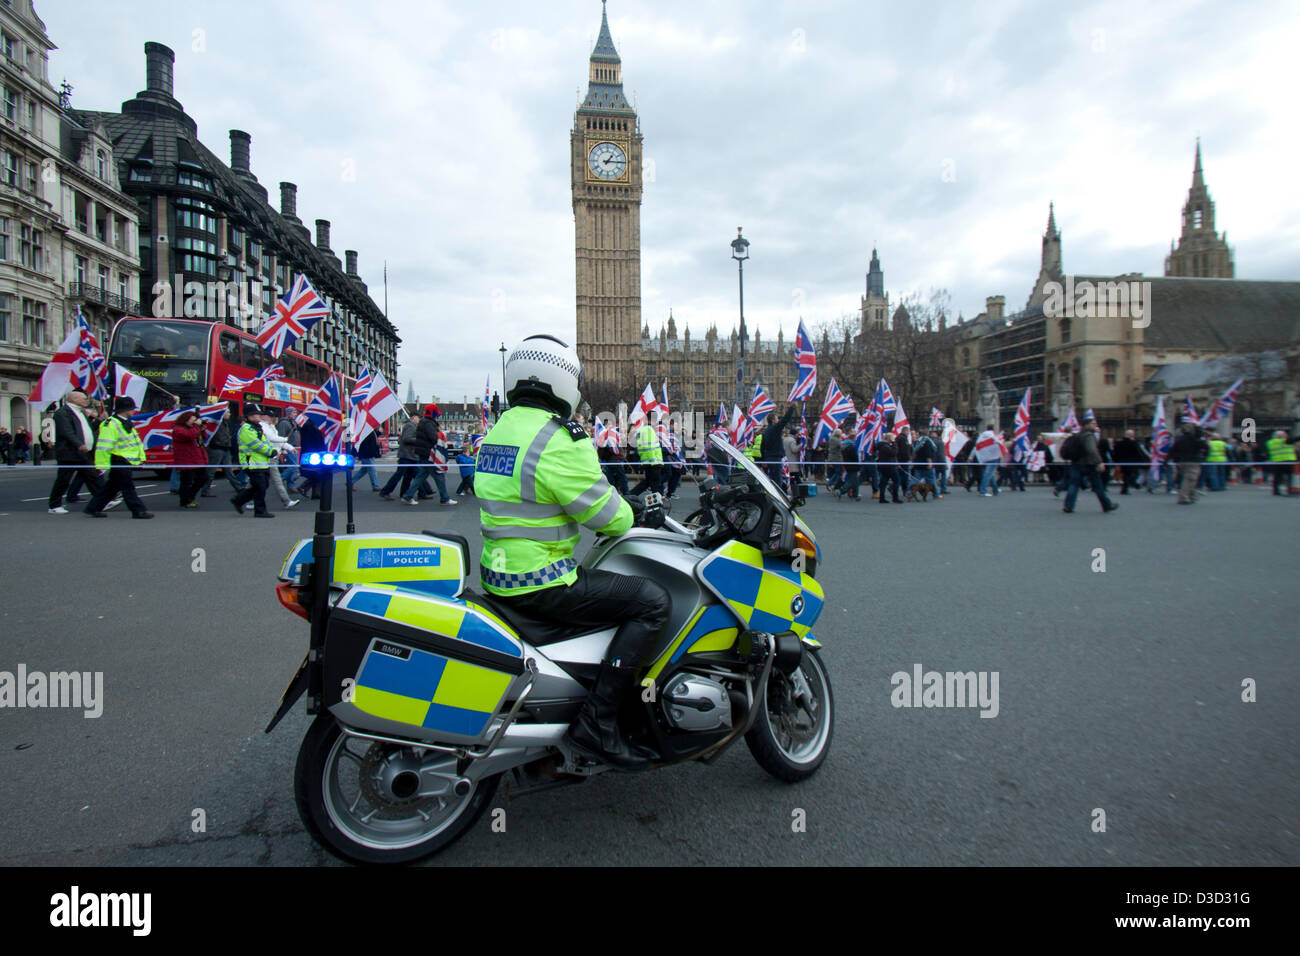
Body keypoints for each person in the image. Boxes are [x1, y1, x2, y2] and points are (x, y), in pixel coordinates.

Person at [477, 334, 669, 769]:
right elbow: (609, 517)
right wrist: (636, 508)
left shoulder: (498, 431)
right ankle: (598, 725)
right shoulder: (559, 437)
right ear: (564, 382)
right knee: (652, 602)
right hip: (542, 580)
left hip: (498, 575)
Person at [84, 396, 154, 519]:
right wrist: (102, 465)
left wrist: (140, 457)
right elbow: (104, 445)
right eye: (132, 409)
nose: (134, 411)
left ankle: (93, 507)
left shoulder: (123, 422)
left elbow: (134, 442)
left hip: (125, 459)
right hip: (118, 459)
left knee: (112, 487)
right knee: (127, 486)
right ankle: (138, 510)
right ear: (125, 410)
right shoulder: (110, 424)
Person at [48, 389, 107, 514]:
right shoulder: (63, 413)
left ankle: (102, 501)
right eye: (84, 398)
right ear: (74, 399)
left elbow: (88, 430)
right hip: (69, 453)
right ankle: (54, 505)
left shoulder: (81, 412)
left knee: (92, 477)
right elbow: (66, 431)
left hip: (84, 453)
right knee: (63, 480)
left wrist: (98, 420)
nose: (86, 400)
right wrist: (79, 444)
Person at [1063, 416, 1118, 514]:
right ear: (1087, 425)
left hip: (1076, 463)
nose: (1095, 425)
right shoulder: (1088, 436)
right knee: (1098, 486)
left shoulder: (1077, 435)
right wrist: (1099, 462)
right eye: (1093, 424)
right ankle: (1107, 505)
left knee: (1073, 485)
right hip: (1089, 464)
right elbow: (1092, 450)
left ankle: (1068, 506)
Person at [231, 405, 277, 517]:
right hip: (251, 463)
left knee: (262, 486)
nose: (259, 416)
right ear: (249, 416)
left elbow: (266, 442)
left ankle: (239, 500)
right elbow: (256, 445)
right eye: (257, 414)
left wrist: (271, 450)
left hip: (261, 462)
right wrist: (270, 452)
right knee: (260, 487)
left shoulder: (257, 427)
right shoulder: (247, 429)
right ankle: (260, 511)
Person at [202, 407, 245, 497]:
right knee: (211, 471)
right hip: (216, 448)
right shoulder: (215, 424)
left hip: (225, 448)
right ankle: (205, 490)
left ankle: (239, 488)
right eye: (228, 412)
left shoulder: (225, 423)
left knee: (229, 470)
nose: (230, 414)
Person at [171, 410, 209, 508]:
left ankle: (190, 496)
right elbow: (189, 436)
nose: (194, 422)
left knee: (203, 478)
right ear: (185, 420)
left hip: (197, 458)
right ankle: (185, 500)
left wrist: (202, 429)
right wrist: (196, 426)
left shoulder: (193, 429)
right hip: (186, 459)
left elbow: (204, 437)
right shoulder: (178, 429)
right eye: (193, 420)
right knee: (186, 481)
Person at [1170, 422, 1208, 504]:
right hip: (1193, 462)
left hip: (1182, 462)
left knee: (1190, 480)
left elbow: (1172, 451)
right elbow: (1206, 446)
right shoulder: (1195, 439)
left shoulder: (1179, 439)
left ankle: (1192, 496)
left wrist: (1169, 460)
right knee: (1189, 480)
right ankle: (1183, 497)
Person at [630, 417, 664, 495]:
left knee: (647, 482)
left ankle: (631, 495)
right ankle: (656, 504)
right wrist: (654, 461)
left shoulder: (642, 430)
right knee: (655, 484)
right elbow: (649, 447)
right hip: (653, 461)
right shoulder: (649, 430)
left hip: (647, 461)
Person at [1113, 429, 1146, 495]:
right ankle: (1132, 484)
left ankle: (1125, 489)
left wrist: (1116, 460)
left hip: (1122, 461)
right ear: (1131, 435)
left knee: (1126, 475)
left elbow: (1115, 452)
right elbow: (1138, 452)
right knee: (1132, 474)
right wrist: (1141, 460)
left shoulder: (1119, 443)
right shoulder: (1133, 443)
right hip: (1132, 462)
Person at [1266, 429, 1296, 496]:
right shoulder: (1284, 441)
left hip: (1276, 462)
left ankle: (1275, 491)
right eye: (1285, 434)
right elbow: (1294, 439)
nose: (1286, 435)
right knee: (1289, 477)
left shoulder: (1270, 442)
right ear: (1280, 436)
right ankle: (1289, 490)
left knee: (1277, 477)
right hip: (1287, 461)